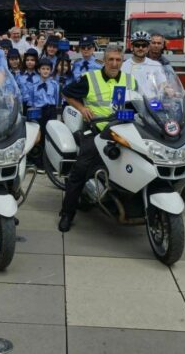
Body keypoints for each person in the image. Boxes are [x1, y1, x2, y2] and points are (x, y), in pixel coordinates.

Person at [58, 45, 137, 232]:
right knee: (81, 168)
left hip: (124, 131)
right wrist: (82, 108)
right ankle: (67, 213)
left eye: (118, 60)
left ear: (122, 61)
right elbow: (67, 93)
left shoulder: (130, 80)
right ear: (104, 61)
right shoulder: (90, 78)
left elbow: (140, 102)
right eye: (111, 59)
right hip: (96, 130)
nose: (114, 63)